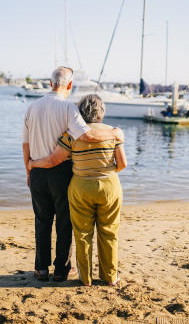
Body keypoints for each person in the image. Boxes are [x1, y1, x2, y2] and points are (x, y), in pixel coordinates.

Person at [22, 68, 124, 282]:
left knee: (42, 221)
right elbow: (87, 134)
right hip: (61, 173)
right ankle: (61, 270)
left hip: (38, 171)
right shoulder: (69, 108)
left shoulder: (32, 107)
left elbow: (26, 144)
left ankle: (41, 269)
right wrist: (114, 134)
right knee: (64, 222)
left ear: (50, 83)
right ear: (69, 85)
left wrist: (28, 169)